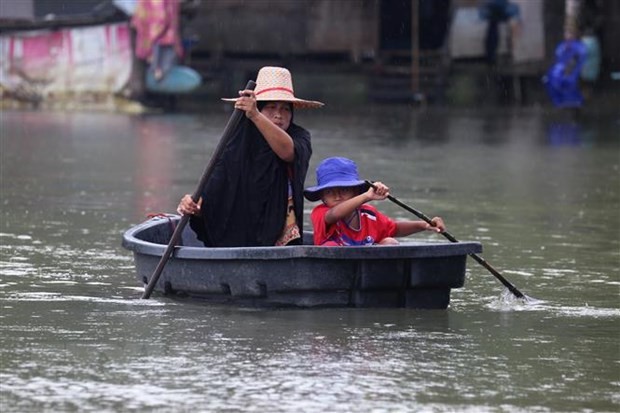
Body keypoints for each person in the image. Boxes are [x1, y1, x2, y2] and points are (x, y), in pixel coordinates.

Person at [177, 66, 324, 247]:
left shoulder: (299, 137)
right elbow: (217, 186)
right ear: (260, 107)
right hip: (238, 229)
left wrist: (255, 115)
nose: (279, 114)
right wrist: (194, 205)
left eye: (285, 109)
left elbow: (287, 152)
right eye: (271, 107)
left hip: (279, 232)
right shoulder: (238, 141)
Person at [304, 157, 445, 246]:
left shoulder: (368, 214)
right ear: (322, 197)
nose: (337, 196)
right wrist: (367, 196)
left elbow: (395, 229)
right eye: (329, 192)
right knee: (330, 246)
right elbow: (334, 215)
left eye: (344, 190)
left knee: (389, 241)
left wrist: (424, 225)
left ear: (355, 191)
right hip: (336, 275)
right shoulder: (321, 213)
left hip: (366, 275)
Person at [131, 0, 183, 81]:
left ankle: (158, 71)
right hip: (157, 30)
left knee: (162, 49)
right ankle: (157, 71)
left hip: (160, 31)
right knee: (160, 49)